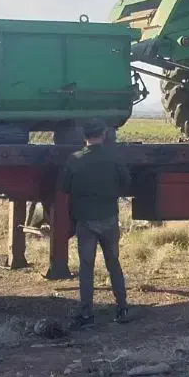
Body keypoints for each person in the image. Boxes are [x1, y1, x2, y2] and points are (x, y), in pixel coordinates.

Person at [58, 118, 133, 327]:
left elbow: (65, 190)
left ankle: (87, 313)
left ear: (84, 137)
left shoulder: (75, 159)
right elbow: (126, 182)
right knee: (113, 263)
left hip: (85, 221)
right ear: (104, 134)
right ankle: (122, 307)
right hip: (109, 217)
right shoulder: (114, 157)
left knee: (86, 267)